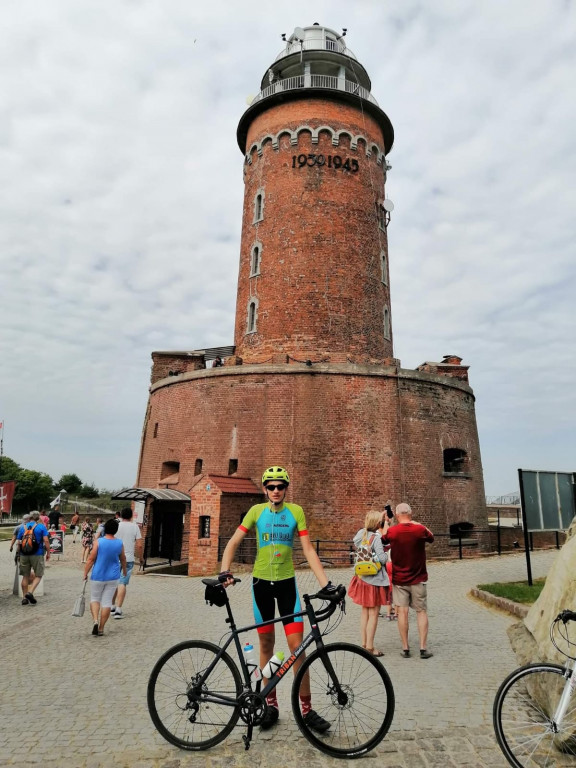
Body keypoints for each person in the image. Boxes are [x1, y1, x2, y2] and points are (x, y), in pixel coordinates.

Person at [220, 466, 338, 733]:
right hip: (261, 584)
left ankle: (306, 710)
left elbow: (307, 549)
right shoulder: (256, 512)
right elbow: (233, 541)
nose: (275, 491)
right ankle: (269, 704)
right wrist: (224, 570)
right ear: (264, 490)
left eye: (280, 486)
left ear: (286, 488)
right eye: (271, 487)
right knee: (266, 644)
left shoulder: (296, 512)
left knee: (298, 648)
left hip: (287, 585)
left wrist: (326, 584)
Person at [382, 503, 434, 659]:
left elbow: (383, 539)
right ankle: (423, 648)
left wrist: (386, 522)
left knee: (402, 612)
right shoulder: (419, 530)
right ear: (410, 513)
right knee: (421, 611)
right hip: (418, 578)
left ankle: (405, 648)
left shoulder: (393, 531)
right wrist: (417, 523)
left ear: (397, 515)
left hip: (399, 580)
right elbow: (431, 537)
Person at [348, 511, 390, 656]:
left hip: (361, 577)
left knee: (365, 611)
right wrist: (385, 551)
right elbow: (383, 559)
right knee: (374, 614)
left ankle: (364, 643)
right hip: (374, 579)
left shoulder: (361, 534)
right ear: (378, 524)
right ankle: (371, 647)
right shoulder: (376, 538)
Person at [83, 519, 127, 636]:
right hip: (113, 577)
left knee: (95, 599)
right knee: (107, 602)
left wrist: (85, 573)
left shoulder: (98, 542)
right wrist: (125, 571)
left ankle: (95, 621)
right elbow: (123, 558)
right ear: (116, 530)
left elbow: (91, 559)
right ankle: (101, 628)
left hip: (98, 575)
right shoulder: (119, 543)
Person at [111, 507, 143, 619]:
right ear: (131, 516)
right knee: (122, 583)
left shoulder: (116, 525)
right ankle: (118, 609)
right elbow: (139, 545)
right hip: (128, 558)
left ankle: (112, 606)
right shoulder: (135, 527)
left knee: (114, 582)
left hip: (115, 557)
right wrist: (141, 558)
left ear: (121, 516)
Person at [17, 511, 50, 605]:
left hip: (24, 554)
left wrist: (19, 554)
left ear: (30, 517)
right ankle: (30, 592)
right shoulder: (41, 527)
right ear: (38, 518)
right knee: (39, 574)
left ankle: (24, 598)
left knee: (25, 576)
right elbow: (46, 541)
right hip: (37, 553)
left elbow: (18, 542)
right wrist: (48, 552)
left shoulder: (23, 527)